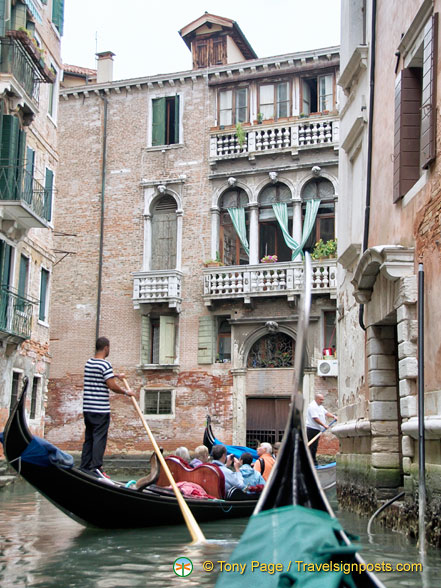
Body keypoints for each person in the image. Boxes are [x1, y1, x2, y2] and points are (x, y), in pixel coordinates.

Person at [80, 337, 135, 477]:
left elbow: (102, 376)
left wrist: (116, 375)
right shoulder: (105, 365)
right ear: (106, 348)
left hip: (88, 409)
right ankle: (96, 468)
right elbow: (111, 385)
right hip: (101, 409)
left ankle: (85, 466)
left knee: (89, 438)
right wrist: (126, 392)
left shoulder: (89, 363)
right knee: (99, 438)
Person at [306, 393, 337, 466]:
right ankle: (312, 463)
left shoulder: (320, 406)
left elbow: (326, 413)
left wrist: (333, 416)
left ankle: (313, 462)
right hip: (312, 429)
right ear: (316, 399)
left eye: (323, 400)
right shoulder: (312, 407)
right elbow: (315, 418)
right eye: (321, 400)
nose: (322, 401)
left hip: (317, 429)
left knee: (314, 446)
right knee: (312, 447)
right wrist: (324, 425)